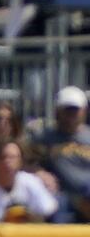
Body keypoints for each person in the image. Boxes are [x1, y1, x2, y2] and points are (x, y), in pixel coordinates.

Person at [36, 86, 90, 222]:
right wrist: (39, 172)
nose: (71, 115)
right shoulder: (45, 137)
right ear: (58, 111)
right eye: (67, 110)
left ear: (84, 111)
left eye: (75, 110)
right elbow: (27, 160)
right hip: (61, 194)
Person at [0, 140, 58, 222]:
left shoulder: (30, 181)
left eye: (13, 157)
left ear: (20, 161)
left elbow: (49, 208)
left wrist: (28, 214)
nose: (7, 162)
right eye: (3, 157)